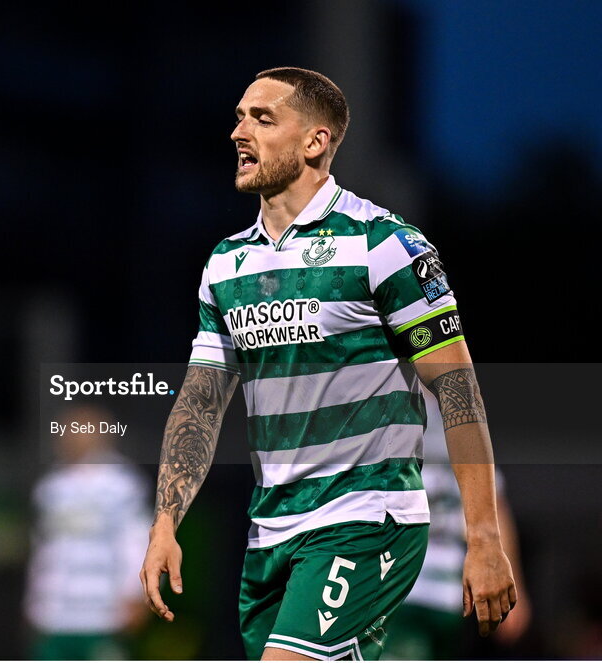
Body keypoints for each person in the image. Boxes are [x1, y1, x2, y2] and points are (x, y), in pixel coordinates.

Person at [139, 67, 516, 661]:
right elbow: (200, 406)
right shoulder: (226, 264)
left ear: (315, 141)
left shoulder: (384, 244)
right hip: (271, 532)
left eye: (263, 119)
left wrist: (485, 537)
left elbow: (458, 390)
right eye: (239, 117)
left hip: (366, 516)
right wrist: (165, 523)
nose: (239, 131)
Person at [382, 389, 531, 659]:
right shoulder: (457, 415)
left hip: (411, 584)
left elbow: (494, 502)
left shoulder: (391, 407)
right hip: (433, 588)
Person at [25, 404, 151, 660]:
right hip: (55, 616)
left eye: (82, 429)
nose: (72, 436)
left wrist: (138, 594)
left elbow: (137, 542)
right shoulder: (51, 488)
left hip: (104, 616)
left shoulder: (122, 484)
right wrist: (34, 603)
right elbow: (44, 551)